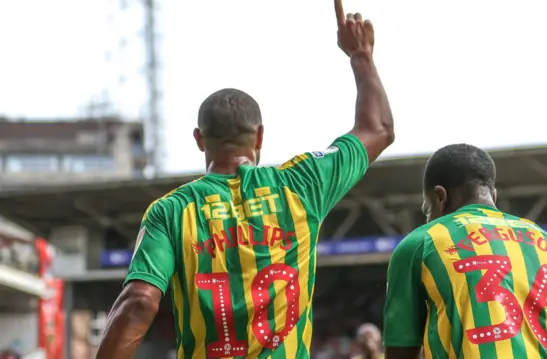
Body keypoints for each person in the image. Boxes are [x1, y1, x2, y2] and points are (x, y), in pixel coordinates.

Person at [95, 0, 394, 357]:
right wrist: (360, 55)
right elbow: (378, 129)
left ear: (199, 139)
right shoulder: (301, 184)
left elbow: (140, 301)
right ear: (260, 137)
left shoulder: (170, 212)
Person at [383, 144, 547, 359]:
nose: (427, 218)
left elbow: (401, 351)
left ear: (440, 197)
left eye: (426, 209)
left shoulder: (421, 243)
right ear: (493, 195)